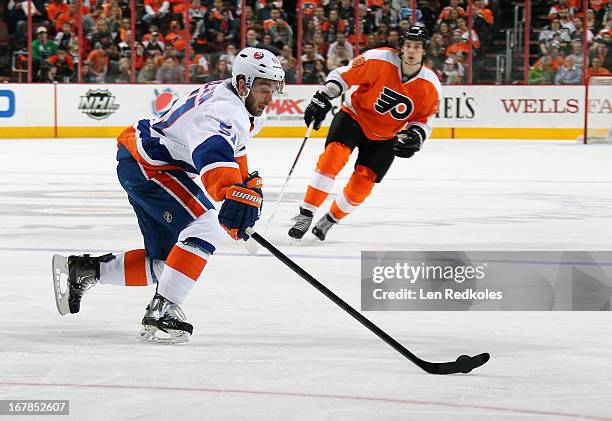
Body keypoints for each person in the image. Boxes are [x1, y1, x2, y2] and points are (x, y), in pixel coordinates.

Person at [52, 48, 285, 344]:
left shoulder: (239, 104)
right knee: (206, 228)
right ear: (244, 83)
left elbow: (233, 148)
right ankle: (162, 311)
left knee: (167, 262)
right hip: (150, 165)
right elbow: (211, 151)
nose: (270, 97)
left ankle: (83, 271)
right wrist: (230, 192)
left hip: (147, 161)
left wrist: (242, 184)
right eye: (264, 88)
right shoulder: (225, 110)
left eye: (273, 89)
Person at [288, 26, 441, 241]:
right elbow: (343, 75)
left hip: (387, 135)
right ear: (402, 47)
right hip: (354, 117)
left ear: (424, 50)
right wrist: (323, 96)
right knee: (333, 158)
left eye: (417, 46)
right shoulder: (379, 59)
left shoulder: (430, 85)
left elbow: (423, 120)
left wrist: (416, 137)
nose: (411, 51)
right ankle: (305, 214)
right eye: (408, 45)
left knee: (364, 182)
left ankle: (329, 220)